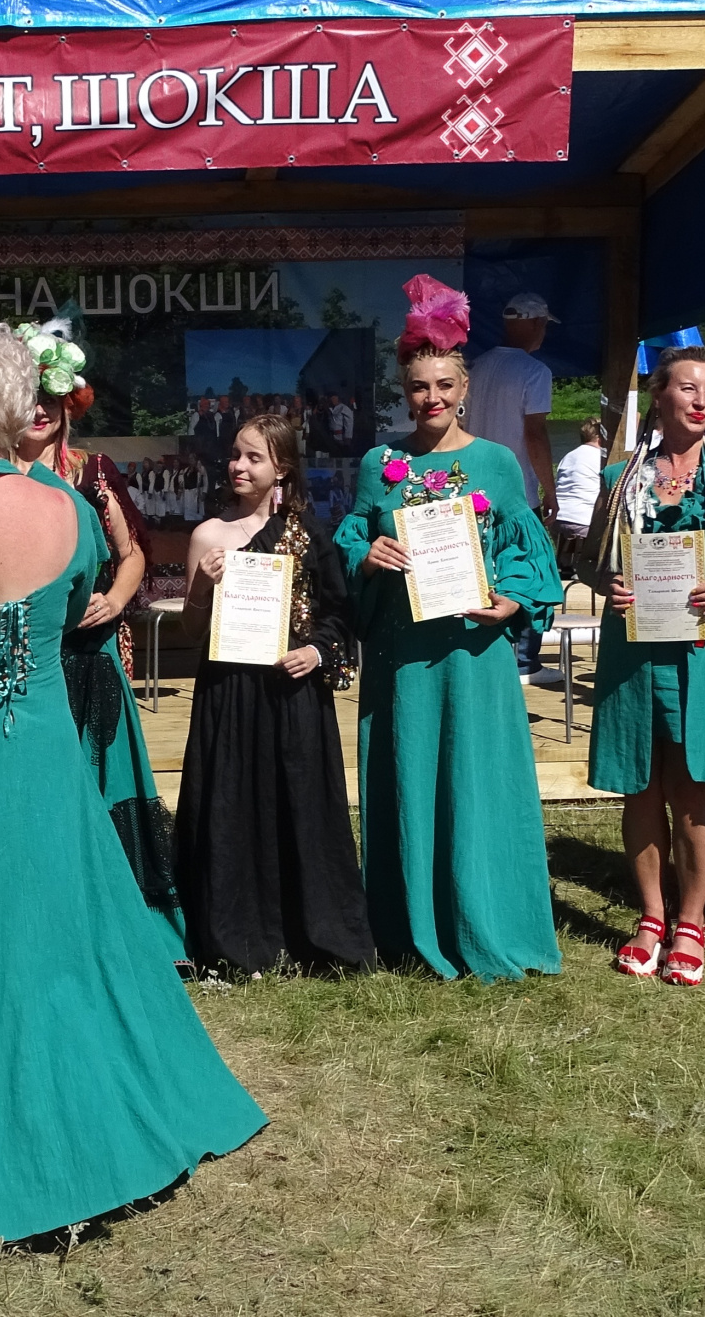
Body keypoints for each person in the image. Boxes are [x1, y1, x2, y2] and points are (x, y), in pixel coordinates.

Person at [0, 319, 264, 1241]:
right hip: (43, 739)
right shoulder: (67, 510)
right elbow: (65, 620)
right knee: (54, 919)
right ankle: (90, 1098)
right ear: (15, 403)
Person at [335, 275, 564, 981]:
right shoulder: (381, 464)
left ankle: (486, 920)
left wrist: (511, 602)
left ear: (465, 387)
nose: (431, 398)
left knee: (477, 781)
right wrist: (367, 554)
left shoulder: (495, 461)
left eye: (443, 385)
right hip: (404, 656)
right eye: (418, 387)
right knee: (409, 778)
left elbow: (529, 553)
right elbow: (349, 537)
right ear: (403, 392)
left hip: (473, 652)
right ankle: (410, 926)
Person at [576, 349, 705, 987]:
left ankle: (691, 921)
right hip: (635, 645)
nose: (700, 401)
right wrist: (608, 582)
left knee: (693, 785)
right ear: (659, 395)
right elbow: (587, 562)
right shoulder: (620, 476)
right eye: (687, 388)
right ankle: (651, 917)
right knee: (640, 782)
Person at [11, 330, 186, 966]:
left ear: (70, 404)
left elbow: (131, 554)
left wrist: (114, 601)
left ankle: (126, 916)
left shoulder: (93, 471)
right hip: (29, 657)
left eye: (50, 399)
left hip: (93, 652)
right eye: (27, 399)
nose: (39, 411)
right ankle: (47, 914)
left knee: (105, 775)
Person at [174, 414, 372, 974]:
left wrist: (316, 653)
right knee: (231, 805)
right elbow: (192, 629)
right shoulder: (208, 535)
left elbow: (339, 615)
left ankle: (313, 936)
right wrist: (204, 585)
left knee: (302, 804)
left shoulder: (308, 534)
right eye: (235, 454)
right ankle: (236, 938)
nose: (238, 466)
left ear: (281, 467)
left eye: (253, 457)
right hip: (230, 691)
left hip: (293, 692)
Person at [471, 293, 562, 684]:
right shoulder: (534, 371)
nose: (543, 332)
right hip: (516, 491)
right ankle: (525, 660)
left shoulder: (475, 366)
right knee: (531, 568)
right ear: (535, 323)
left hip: (474, 490)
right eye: (543, 325)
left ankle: (489, 654)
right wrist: (550, 490)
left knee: (484, 571)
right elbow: (535, 433)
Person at [551, 418, 607, 563]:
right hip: (583, 520)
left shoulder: (568, 456)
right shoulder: (601, 458)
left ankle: (566, 566)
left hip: (558, 518)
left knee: (566, 562)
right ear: (601, 439)